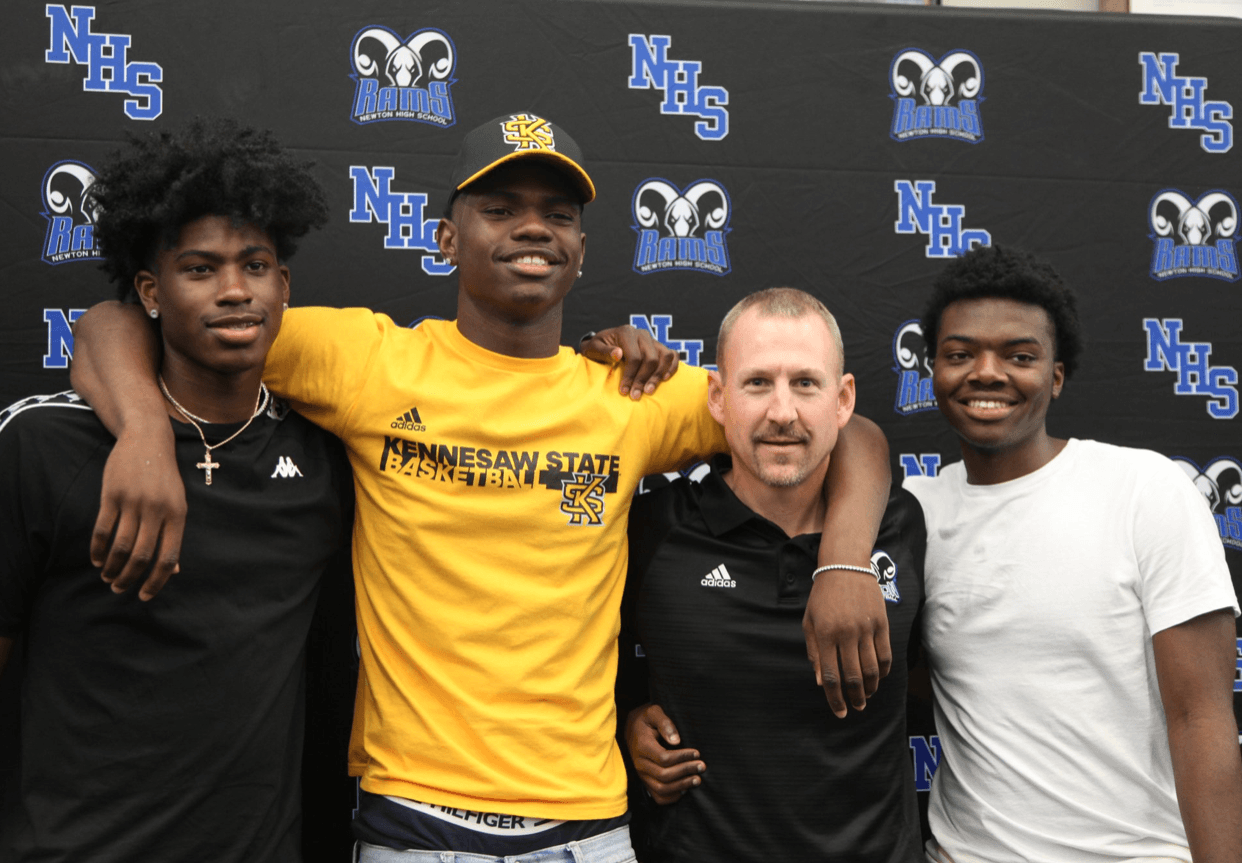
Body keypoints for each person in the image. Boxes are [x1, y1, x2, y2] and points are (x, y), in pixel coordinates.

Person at [68, 112, 894, 861]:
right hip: (412, 821)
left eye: (558, 213)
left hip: (590, 825)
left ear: (581, 249)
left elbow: (844, 429)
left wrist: (846, 560)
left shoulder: (631, 395)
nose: (533, 226)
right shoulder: (367, 361)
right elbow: (118, 322)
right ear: (444, 239)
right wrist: (145, 434)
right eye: (499, 209)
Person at [0, 118, 349, 862]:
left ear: (284, 285)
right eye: (201, 269)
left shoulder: (327, 457)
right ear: (151, 292)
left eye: (255, 265)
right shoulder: (43, 445)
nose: (234, 290)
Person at [903, 245, 1242, 863]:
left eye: (1020, 356)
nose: (986, 372)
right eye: (960, 354)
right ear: (932, 371)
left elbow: (1201, 716)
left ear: (1055, 376)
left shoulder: (1145, 488)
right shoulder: (911, 514)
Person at [620, 288, 926, 862]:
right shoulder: (654, 529)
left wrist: (842, 561)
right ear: (717, 396)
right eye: (757, 382)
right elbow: (582, 671)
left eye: (805, 384)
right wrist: (627, 724)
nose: (782, 412)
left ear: (843, 400)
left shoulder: (902, 525)